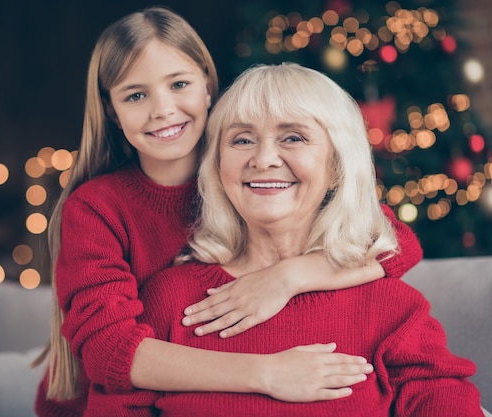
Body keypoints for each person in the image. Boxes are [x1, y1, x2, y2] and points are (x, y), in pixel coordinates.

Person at [34, 7, 423, 416]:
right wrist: (267, 373)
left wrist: (288, 277)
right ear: (112, 110)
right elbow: (111, 352)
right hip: (94, 402)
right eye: (135, 95)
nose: (162, 109)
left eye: (178, 84)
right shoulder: (97, 208)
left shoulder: (249, 176)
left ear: (207, 86)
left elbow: (398, 243)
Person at [135, 62, 483, 416]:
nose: (264, 159)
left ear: (336, 168)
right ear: (217, 165)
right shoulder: (170, 298)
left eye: (293, 137)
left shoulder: (391, 306)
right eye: (242, 139)